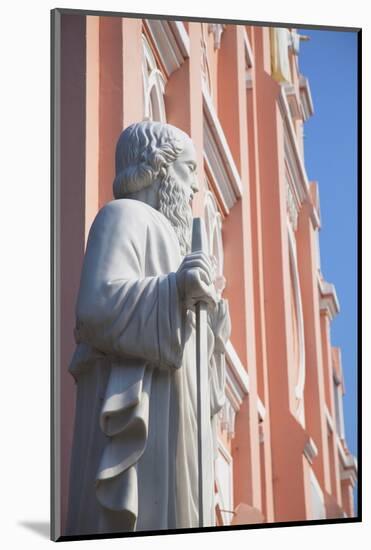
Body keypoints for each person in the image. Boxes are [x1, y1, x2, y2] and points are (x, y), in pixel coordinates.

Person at [66, 121, 231, 535]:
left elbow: (201, 383)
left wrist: (211, 329)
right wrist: (175, 291)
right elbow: (96, 307)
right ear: (157, 167)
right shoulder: (123, 216)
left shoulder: (175, 245)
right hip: (144, 421)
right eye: (189, 170)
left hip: (177, 424)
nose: (196, 188)